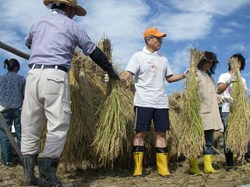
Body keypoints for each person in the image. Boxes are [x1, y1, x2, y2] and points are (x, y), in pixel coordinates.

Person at [21, 0, 119, 186]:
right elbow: (92, 51)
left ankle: (28, 176)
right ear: (67, 8)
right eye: (73, 10)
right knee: (57, 124)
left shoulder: (38, 22)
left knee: (30, 123)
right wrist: (110, 70)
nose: (73, 13)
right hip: (55, 75)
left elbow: (29, 43)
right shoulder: (72, 26)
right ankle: (49, 177)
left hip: (33, 74)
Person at [119, 27, 186, 177]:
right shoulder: (138, 56)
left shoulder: (163, 59)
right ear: (149, 39)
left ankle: (163, 168)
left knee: (162, 134)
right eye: (157, 38)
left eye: (161, 38)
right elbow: (127, 73)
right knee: (139, 134)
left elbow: (169, 78)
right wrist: (116, 78)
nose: (160, 41)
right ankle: (138, 169)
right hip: (143, 101)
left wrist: (184, 75)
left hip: (161, 102)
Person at [188, 51, 223, 175]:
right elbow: (189, 93)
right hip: (199, 112)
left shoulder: (210, 77)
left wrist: (221, 98)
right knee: (196, 140)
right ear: (201, 61)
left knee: (208, 140)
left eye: (211, 62)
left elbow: (213, 94)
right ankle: (193, 166)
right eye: (207, 61)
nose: (209, 64)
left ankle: (208, 166)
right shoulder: (194, 74)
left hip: (211, 113)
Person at [217, 53, 247, 170]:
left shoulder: (243, 80)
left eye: (240, 63)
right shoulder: (224, 76)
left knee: (240, 134)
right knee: (228, 136)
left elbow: (244, 96)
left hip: (239, 111)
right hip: (227, 110)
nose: (237, 65)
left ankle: (241, 158)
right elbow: (219, 90)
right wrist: (229, 81)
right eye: (235, 62)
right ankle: (229, 164)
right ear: (230, 64)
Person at [0, 58, 25, 166]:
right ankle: (23, 159)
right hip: (18, 108)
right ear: (16, 67)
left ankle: (7, 160)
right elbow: (25, 95)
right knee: (20, 134)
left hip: (4, 108)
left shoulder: (1, 78)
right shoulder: (21, 79)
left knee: (4, 134)